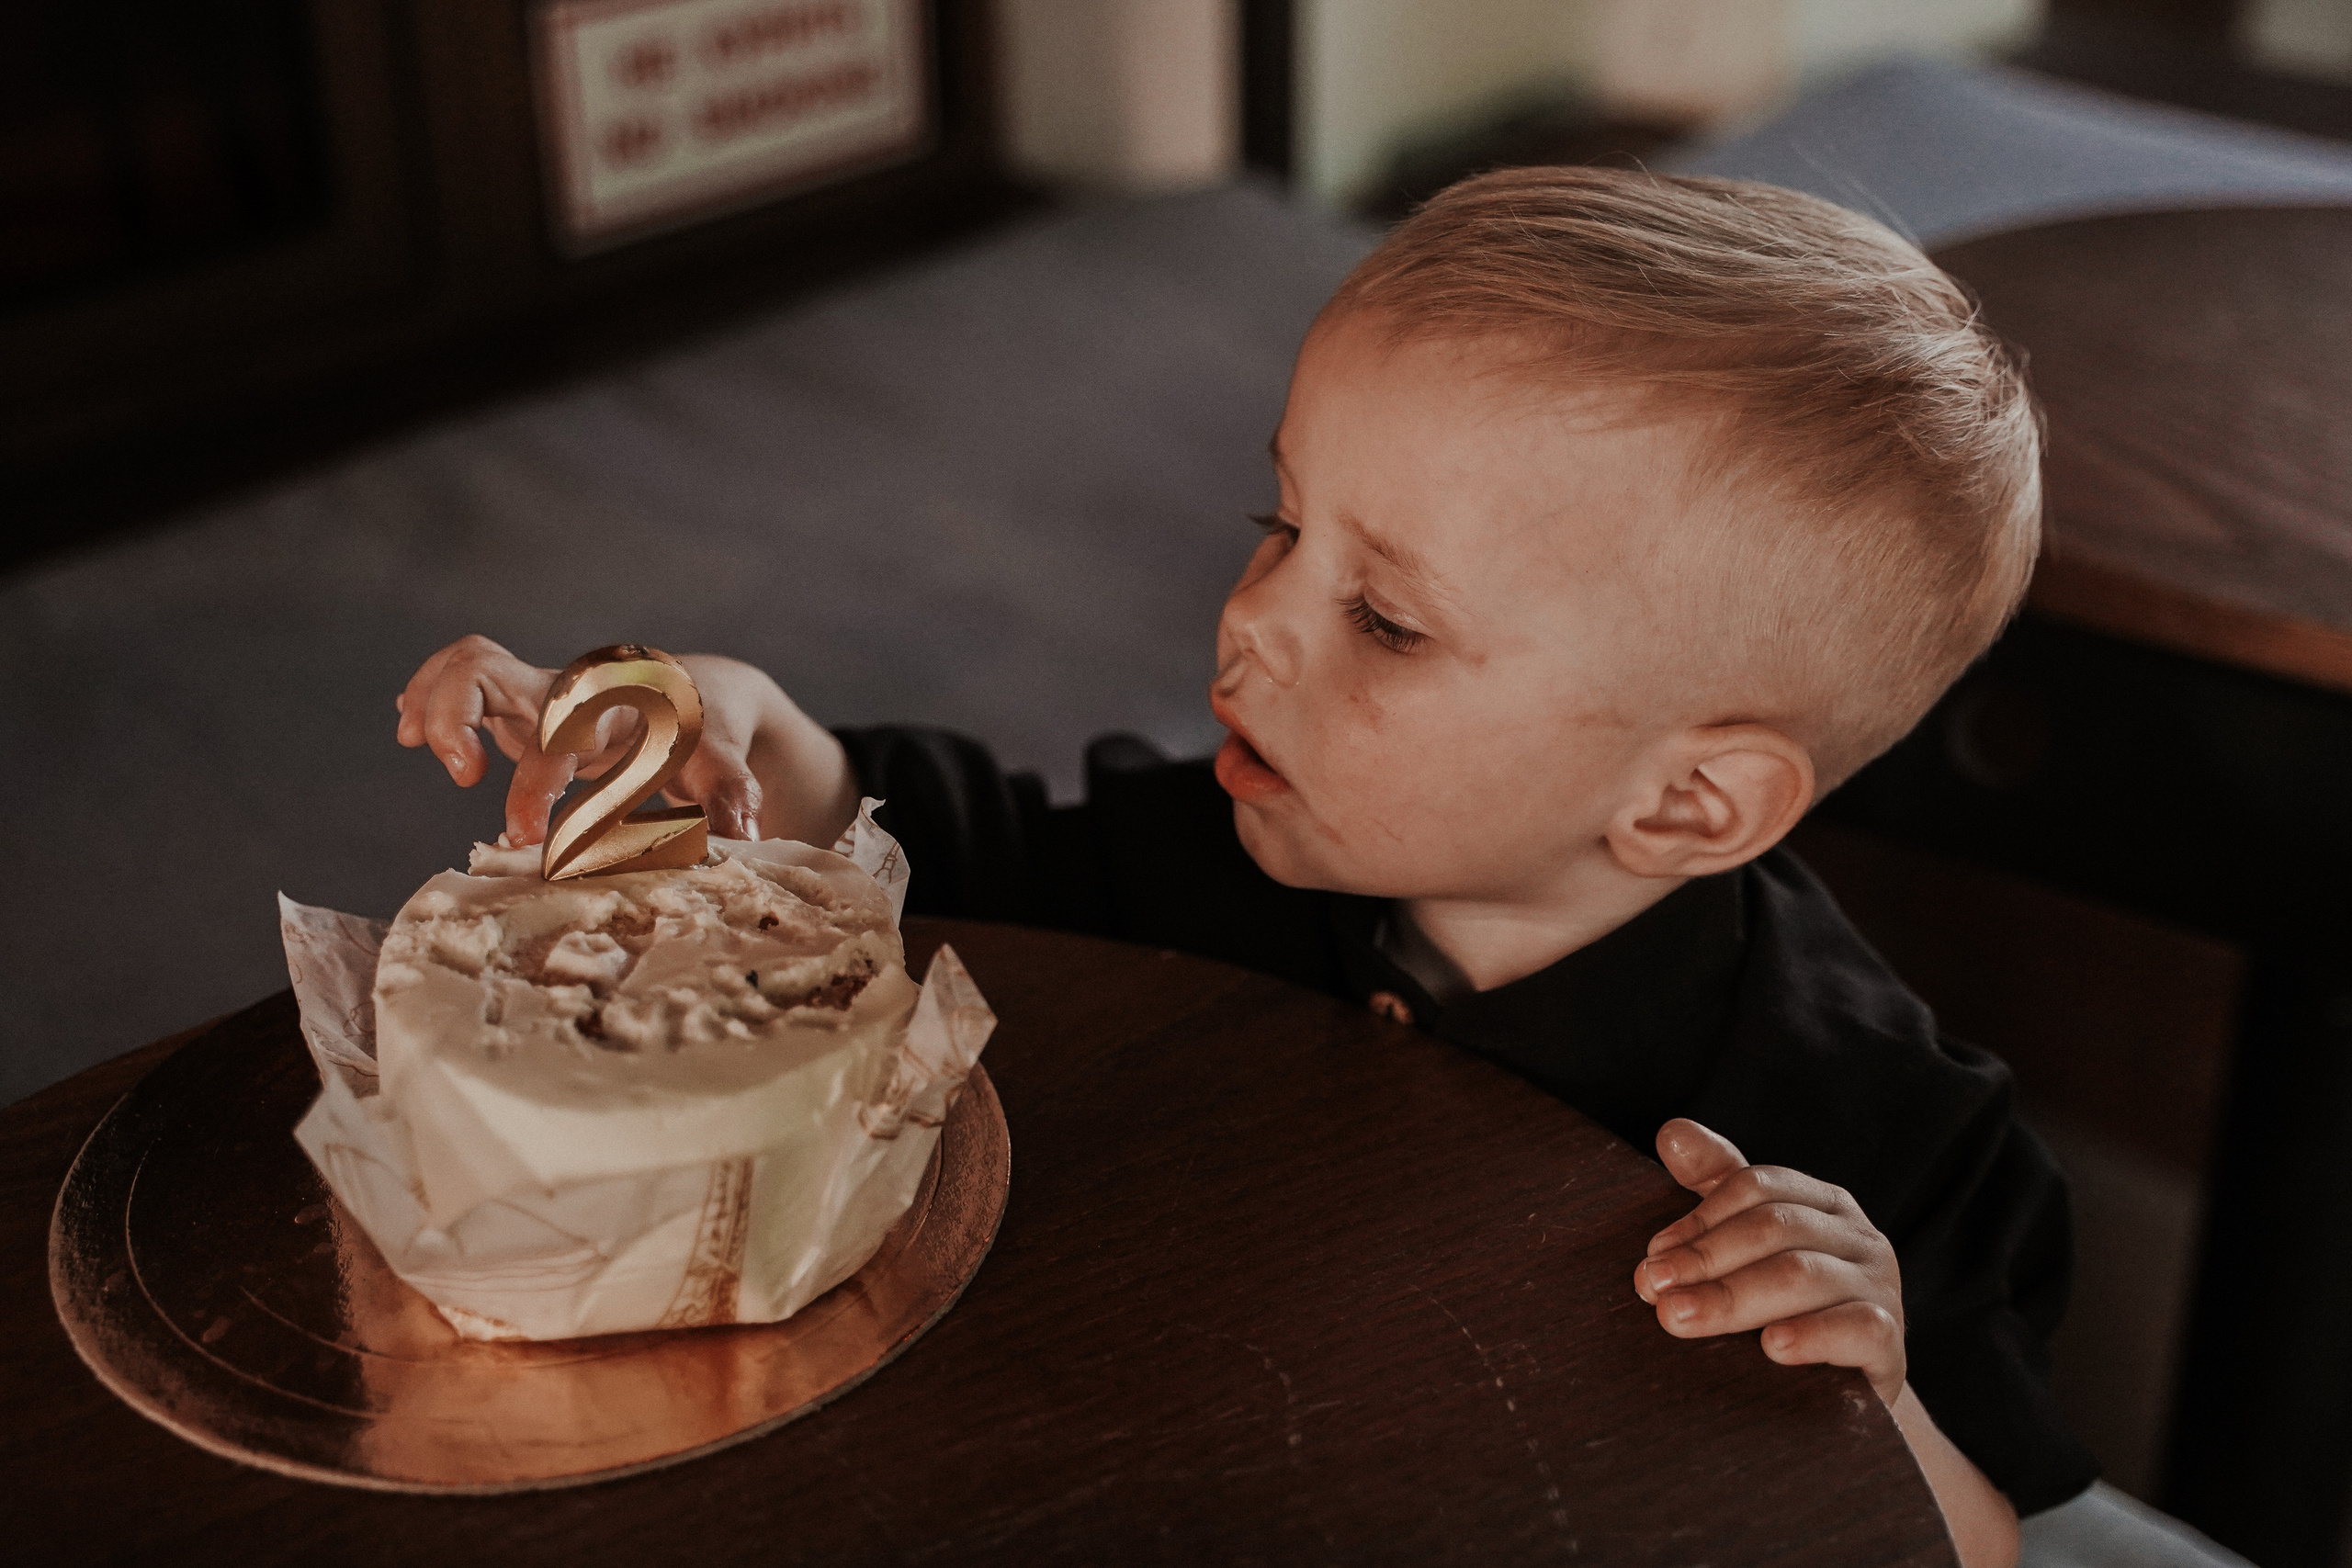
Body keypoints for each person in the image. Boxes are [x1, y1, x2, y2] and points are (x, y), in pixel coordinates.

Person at [395, 167, 2092, 1567]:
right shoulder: (1220, 851)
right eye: (1279, 526)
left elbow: (1981, 1543)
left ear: (1689, 804)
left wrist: (1871, 1387)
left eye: (1385, 618)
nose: (1251, 619)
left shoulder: (1873, 1140)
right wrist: (754, 737)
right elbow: (953, 868)